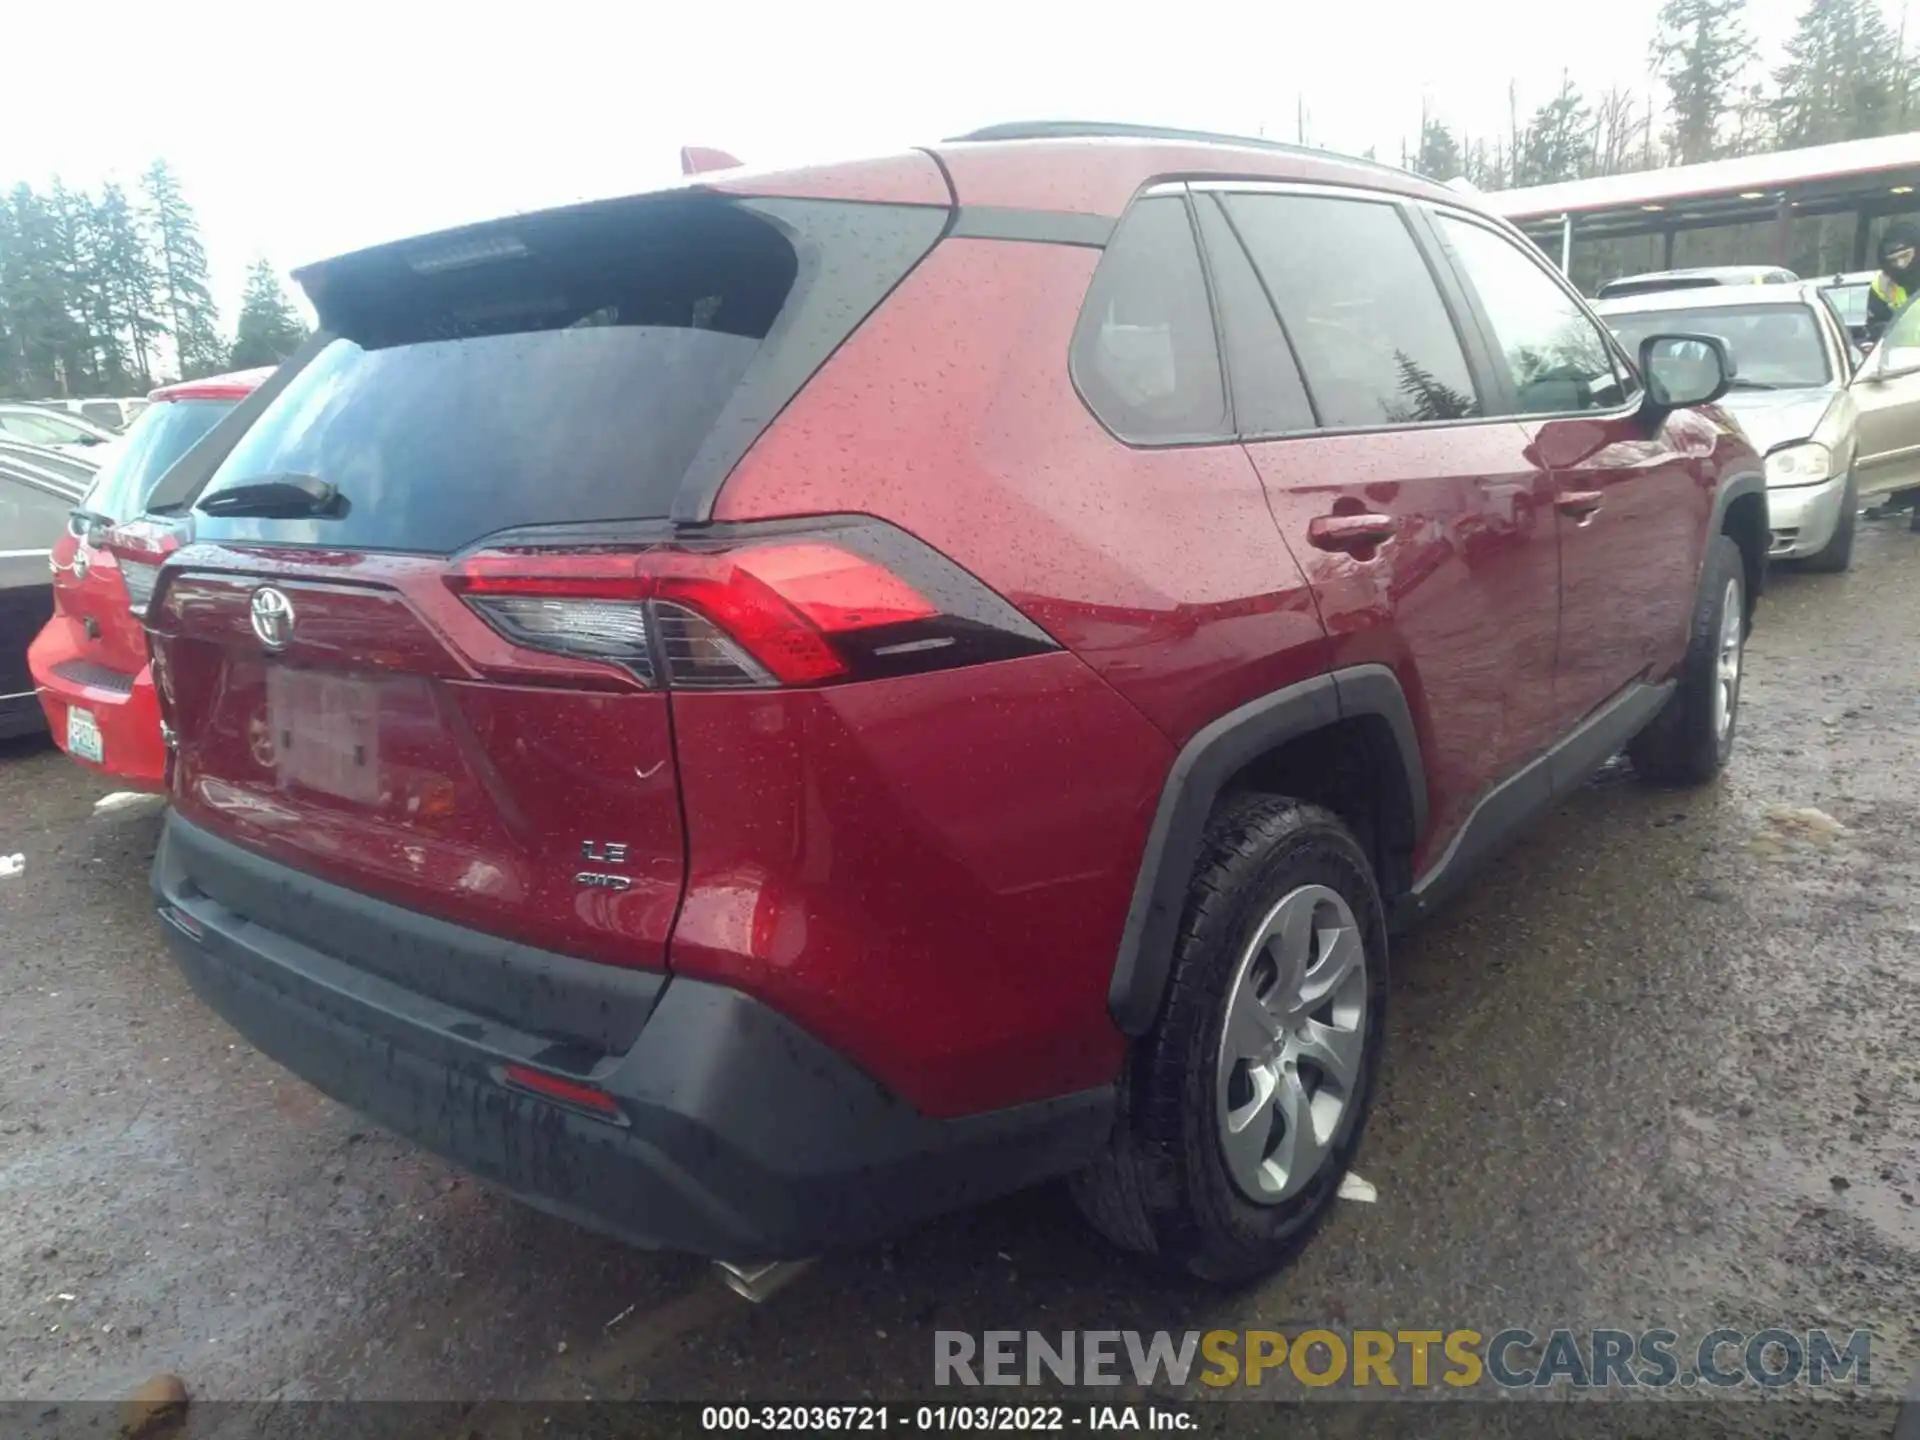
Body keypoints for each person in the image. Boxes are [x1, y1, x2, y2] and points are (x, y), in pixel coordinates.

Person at [1864, 222, 1920, 347]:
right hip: (1900, 360)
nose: (1900, 264)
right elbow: (1876, 327)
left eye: (1905, 256)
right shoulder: (1882, 285)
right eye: (1893, 260)